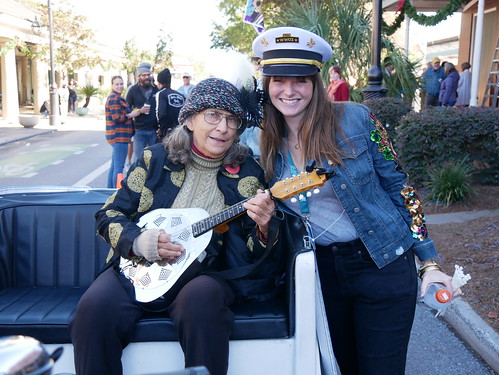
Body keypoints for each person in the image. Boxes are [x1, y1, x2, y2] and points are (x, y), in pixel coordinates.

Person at [252, 26, 459, 375]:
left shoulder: (357, 119)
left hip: (382, 262)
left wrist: (430, 261)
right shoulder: (260, 141)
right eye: (278, 80)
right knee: (338, 368)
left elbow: (401, 188)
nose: (289, 91)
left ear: (315, 82)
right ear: (267, 84)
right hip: (318, 274)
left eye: (300, 80)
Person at [69, 77, 283, 375]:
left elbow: (255, 253)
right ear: (190, 119)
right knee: (93, 310)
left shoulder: (249, 174)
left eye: (232, 120)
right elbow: (109, 214)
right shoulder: (153, 159)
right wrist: (138, 242)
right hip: (137, 268)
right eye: (213, 115)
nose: (222, 127)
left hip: (206, 272)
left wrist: (263, 228)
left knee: (201, 303)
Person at [105, 76, 144, 188]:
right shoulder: (114, 98)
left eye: (121, 84)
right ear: (112, 85)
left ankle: (109, 190)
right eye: (117, 84)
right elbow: (116, 118)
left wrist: (134, 112)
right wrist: (131, 115)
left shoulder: (118, 98)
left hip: (119, 136)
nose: (120, 86)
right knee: (118, 168)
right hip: (119, 136)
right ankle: (115, 193)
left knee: (114, 166)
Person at [126, 62, 159, 160]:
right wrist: (139, 110)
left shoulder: (156, 89)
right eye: (144, 75)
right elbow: (127, 109)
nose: (146, 77)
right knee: (139, 159)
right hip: (139, 129)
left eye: (148, 75)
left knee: (154, 158)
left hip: (154, 130)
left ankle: (151, 175)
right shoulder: (133, 90)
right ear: (139, 76)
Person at [155, 68, 185, 141]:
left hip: (167, 132)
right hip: (180, 131)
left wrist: (162, 129)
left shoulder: (161, 94)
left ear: (159, 82)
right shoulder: (181, 96)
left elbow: (160, 113)